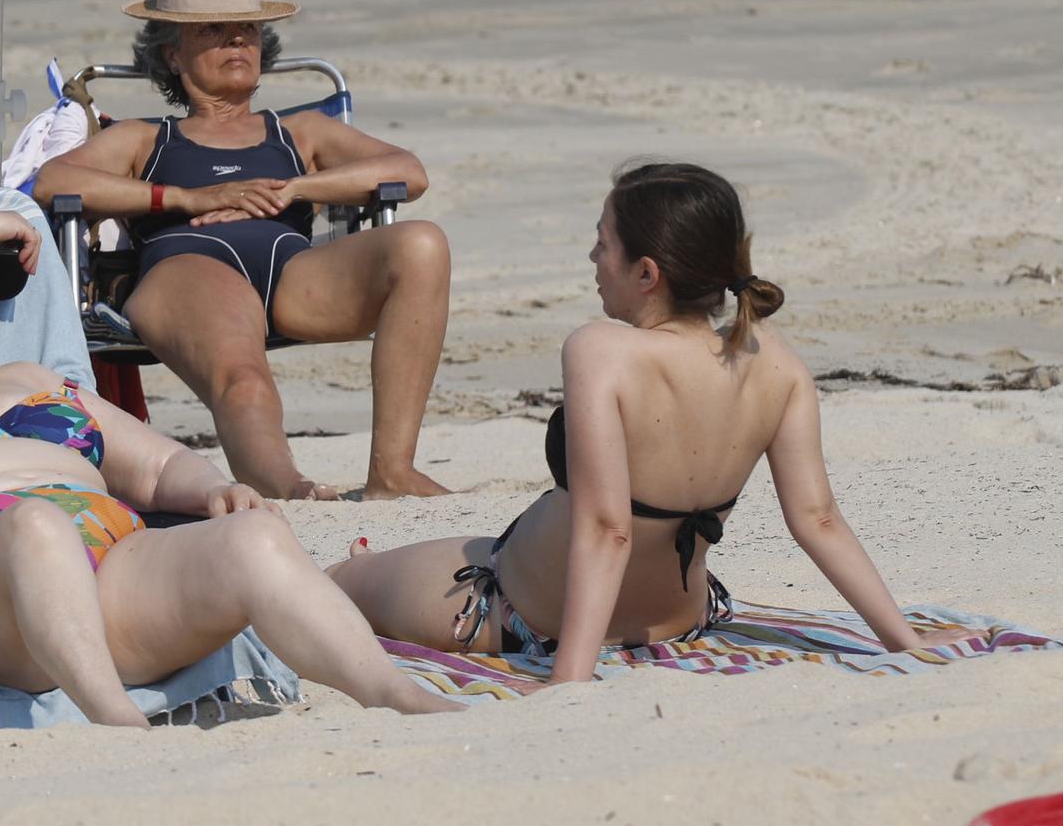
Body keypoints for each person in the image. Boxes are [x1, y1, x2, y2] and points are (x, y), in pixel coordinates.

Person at [0, 193, 461, 724]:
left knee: (252, 537)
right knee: (35, 527)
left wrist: (211, 492)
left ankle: (393, 695)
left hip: (104, 576)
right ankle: (117, 723)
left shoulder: (32, 381)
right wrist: (2, 218)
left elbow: (158, 466)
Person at [327, 162, 938, 681]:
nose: (593, 258)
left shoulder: (602, 350)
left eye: (603, 243)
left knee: (345, 581)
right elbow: (819, 520)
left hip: (526, 614)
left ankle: (365, 566)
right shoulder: (773, 362)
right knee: (435, 556)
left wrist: (569, 679)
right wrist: (905, 642)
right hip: (683, 616)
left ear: (647, 273)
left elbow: (607, 528)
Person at [31, 0, 450, 502]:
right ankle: (288, 488)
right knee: (243, 376)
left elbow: (409, 171)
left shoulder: (299, 133)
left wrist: (296, 186)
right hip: (188, 267)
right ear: (172, 54)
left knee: (422, 243)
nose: (235, 40)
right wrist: (186, 198)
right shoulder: (146, 137)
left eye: (246, 29)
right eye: (211, 30)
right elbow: (53, 182)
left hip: (291, 274)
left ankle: (391, 472)